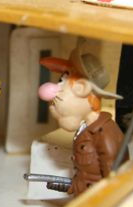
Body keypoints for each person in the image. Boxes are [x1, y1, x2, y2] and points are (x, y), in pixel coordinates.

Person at [37, 48, 128, 196]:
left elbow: (112, 178)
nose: (51, 92)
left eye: (63, 82)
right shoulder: (86, 129)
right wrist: (75, 186)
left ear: (82, 88)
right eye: (60, 80)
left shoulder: (104, 134)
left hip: (96, 199)